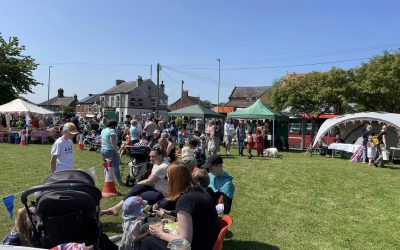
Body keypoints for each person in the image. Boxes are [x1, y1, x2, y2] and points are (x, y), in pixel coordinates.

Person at [140, 163, 220, 250]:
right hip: (206, 239)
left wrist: (159, 234)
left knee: (148, 241)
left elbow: (184, 241)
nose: (167, 181)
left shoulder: (185, 200)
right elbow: (196, 218)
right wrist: (172, 219)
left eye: (167, 178)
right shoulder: (198, 189)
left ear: (174, 180)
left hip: (198, 245)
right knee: (162, 228)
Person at [100, 145, 170, 216]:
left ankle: (123, 210)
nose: (151, 159)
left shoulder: (163, 166)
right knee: (138, 189)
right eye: (150, 156)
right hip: (156, 189)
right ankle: (117, 208)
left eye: (153, 156)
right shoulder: (159, 163)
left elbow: (148, 181)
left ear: (161, 156)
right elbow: (150, 179)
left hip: (163, 195)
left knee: (140, 193)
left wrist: (139, 183)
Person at [100, 120, 123, 186]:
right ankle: (119, 182)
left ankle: (106, 180)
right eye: (115, 126)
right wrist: (117, 152)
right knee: (115, 166)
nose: (115, 127)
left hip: (103, 150)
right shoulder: (112, 131)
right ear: (113, 125)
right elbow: (113, 143)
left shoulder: (103, 130)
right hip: (110, 150)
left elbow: (102, 140)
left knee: (106, 166)